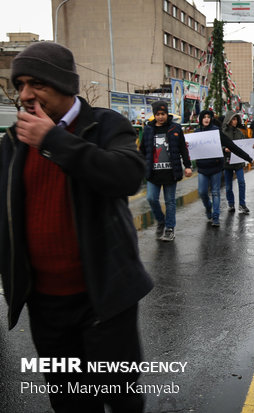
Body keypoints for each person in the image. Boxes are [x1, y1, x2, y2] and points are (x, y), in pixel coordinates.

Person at [1, 41, 153, 412]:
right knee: (68, 399)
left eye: (36, 84)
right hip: (45, 304)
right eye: (19, 85)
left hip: (103, 298)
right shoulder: (11, 142)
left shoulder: (105, 125)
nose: (24, 95)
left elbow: (127, 176)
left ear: (64, 85)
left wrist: (53, 140)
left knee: (119, 394)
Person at [141, 100, 192, 241]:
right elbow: (142, 150)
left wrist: (187, 166)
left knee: (170, 201)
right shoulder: (148, 129)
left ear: (167, 113)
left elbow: (183, 148)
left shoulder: (175, 128)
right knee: (151, 198)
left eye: (163, 114)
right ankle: (160, 220)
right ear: (154, 115)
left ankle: (169, 228)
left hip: (171, 172)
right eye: (158, 114)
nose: (160, 117)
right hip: (153, 173)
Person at [196, 109, 253, 227]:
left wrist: (248, 157)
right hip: (202, 168)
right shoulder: (197, 132)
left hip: (216, 167)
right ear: (201, 119)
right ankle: (208, 208)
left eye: (208, 117)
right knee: (202, 192)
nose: (206, 119)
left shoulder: (216, 132)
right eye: (204, 117)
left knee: (216, 192)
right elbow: (187, 149)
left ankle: (216, 217)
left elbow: (232, 146)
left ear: (211, 119)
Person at [223, 110, 254, 214]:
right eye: (233, 119)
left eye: (236, 119)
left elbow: (245, 144)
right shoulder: (223, 133)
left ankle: (242, 204)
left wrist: (253, 146)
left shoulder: (239, 132)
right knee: (228, 185)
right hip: (227, 162)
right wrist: (225, 149)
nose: (235, 121)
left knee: (241, 182)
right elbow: (219, 145)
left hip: (238, 162)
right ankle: (231, 203)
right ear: (229, 120)